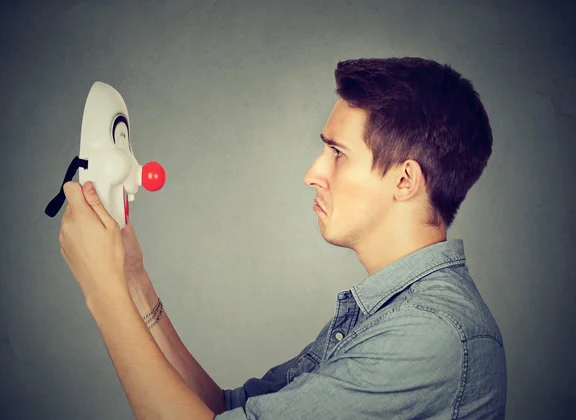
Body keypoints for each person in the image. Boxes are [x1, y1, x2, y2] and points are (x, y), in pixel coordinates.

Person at [123, 57, 507, 419]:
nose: (313, 173)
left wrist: (100, 286)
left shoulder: (428, 334)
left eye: (337, 152)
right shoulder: (389, 314)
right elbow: (223, 410)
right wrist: (133, 280)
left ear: (404, 180)